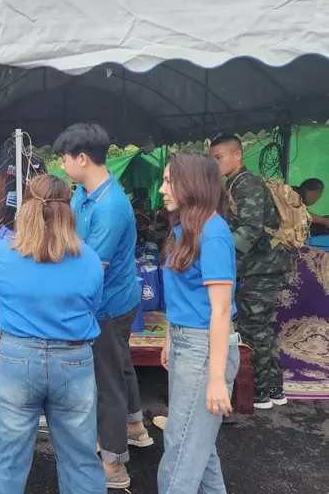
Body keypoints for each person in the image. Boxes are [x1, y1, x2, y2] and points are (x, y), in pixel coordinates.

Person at [0, 175, 106, 494]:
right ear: (69, 210)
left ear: (25, 209)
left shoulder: (2, 253)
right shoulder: (89, 258)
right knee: (81, 462)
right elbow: (95, 305)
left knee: (5, 464)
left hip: (16, 359)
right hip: (74, 362)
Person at [54, 123, 150, 490]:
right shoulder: (83, 192)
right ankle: (136, 427)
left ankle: (114, 462)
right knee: (119, 363)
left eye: (64, 158)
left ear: (82, 158)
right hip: (110, 298)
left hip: (108, 304)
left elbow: (92, 269)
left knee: (105, 380)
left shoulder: (111, 207)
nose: (62, 166)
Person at [157, 152, 239, 494]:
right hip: (185, 343)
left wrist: (217, 379)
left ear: (191, 185)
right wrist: (169, 338)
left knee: (180, 452)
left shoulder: (214, 234)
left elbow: (221, 311)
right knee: (198, 450)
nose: (162, 189)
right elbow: (183, 299)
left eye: (168, 181)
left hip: (206, 351)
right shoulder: (183, 229)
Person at [210, 135, 293, 409]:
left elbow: (248, 230)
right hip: (258, 268)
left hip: (262, 268)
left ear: (237, 155)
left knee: (252, 328)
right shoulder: (233, 184)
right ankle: (273, 388)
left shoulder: (248, 184)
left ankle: (258, 391)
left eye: (218, 157)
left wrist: (214, 253)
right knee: (260, 328)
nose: (214, 162)